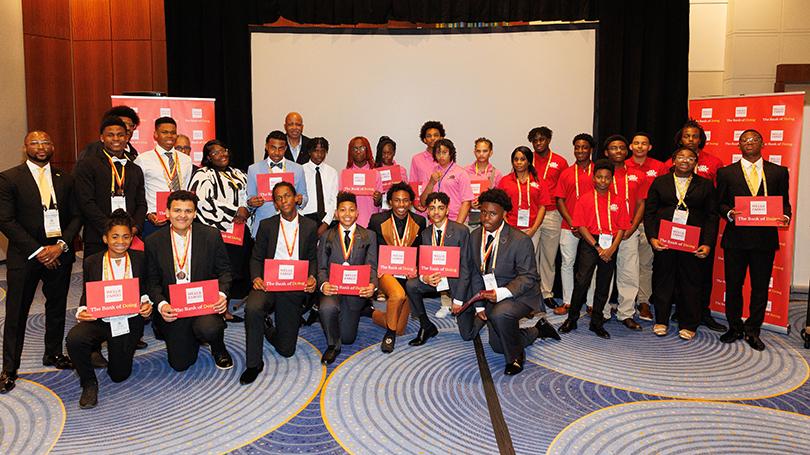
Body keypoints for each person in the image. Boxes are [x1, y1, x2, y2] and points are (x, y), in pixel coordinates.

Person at [0, 131, 82, 393]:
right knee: (16, 312)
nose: (41, 147)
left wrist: (60, 246)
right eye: (34, 143)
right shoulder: (9, 178)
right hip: (26, 256)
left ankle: (53, 354)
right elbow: (5, 220)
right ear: (25, 148)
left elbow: (77, 216)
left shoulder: (65, 179)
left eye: (46, 142)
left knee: (57, 307)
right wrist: (38, 250)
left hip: (60, 253)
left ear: (53, 146)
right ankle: (9, 369)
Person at [453, 188, 559, 376]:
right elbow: (476, 272)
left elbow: (529, 277)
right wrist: (478, 307)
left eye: (493, 214)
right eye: (484, 212)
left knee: (500, 316)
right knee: (496, 346)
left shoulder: (520, 240)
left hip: (519, 295)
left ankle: (516, 357)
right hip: (489, 295)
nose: (486, 218)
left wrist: (501, 293)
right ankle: (538, 330)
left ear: (504, 214)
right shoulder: (475, 235)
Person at [65, 210, 152, 408]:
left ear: (132, 237)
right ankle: (89, 383)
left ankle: (112, 353)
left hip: (128, 319)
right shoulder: (92, 262)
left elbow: (146, 289)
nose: (120, 241)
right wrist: (83, 309)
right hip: (101, 319)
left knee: (119, 375)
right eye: (115, 236)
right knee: (75, 338)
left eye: (126, 236)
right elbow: (88, 292)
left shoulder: (140, 259)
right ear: (105, 238)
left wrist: (147, 304)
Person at [716, 129, 791, 351]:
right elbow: (719, 204)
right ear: (739, 145)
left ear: (762, 143)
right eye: (744, 140)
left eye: (754, 139)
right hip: (735, 240)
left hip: (764, 240)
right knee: (733, 285)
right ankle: (734, 327)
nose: (749, 142)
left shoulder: (778, 172)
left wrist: (785, 216)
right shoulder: (726, 173)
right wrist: (729, 213)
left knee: (760, 288)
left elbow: (785, 202)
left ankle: (752, 330)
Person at [145, 191, 234, 371]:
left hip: (204, 304)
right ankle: (188, 336)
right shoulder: (153, 241)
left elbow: (225, 271)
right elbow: (151, 281)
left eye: (188, 211)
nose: (182, 215)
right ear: (167, 212)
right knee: (180, 364)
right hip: (174, 308)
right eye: (177, 210)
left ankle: (218, 347)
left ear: (195, 213)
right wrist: (162, 305)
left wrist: (222, 295)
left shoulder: (211, 235)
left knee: (208, 328)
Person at [240, 182, 318, 384]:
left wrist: (312, 277)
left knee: (286, 350)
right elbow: (256, 257)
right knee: (253, 308)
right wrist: (256, 277)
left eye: (287, 196)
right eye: (279, 198)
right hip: (269, 282)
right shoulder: (267, 226)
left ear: (296, 198)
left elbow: (313, 258)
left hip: (294, 285)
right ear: (275, 204)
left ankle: (268, 327)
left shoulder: (309, 226)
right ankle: (253, 364)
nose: (284, 201)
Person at [644, 147, 718, 340]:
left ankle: (689, 323)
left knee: (691, 283)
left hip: (693, 243)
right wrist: (652, 238)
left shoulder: (706, 185)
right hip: (664, 241)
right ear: (673, 160)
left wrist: (708, 243)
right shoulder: (660, 182)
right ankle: (661, 320)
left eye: (690, 158)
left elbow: (712, 217)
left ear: (696, 163)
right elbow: (649, 212)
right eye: (681, 157)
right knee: (663, 281)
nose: (685, 161)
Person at [666, 120, 728, 332]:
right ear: (680, 139)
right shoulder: (670, 162)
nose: (690, 140)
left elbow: (719, 197)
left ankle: (703, 312)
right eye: (686, 136)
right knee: (678, 270)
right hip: (677, 228)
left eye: (695, 136)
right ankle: (681, 309)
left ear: (701, 139)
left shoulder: (714, 162)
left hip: (702, 228)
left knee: (702, 272)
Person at [559, 160, 631, 339]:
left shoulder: (618, 200)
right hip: (591, 243)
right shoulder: (584, 199)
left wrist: (612, 248)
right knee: (582, 281)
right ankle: (572, 318)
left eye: (607, 178)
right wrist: (598, 247)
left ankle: (596, 322)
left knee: (603, 284)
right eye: (599, 177)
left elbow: (622, 227)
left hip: (611, 244)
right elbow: (581, 226)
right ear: (594, 178)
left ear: (612, 180)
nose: (603, 181)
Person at [188, 139, 252, 317]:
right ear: (208, 157)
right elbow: (202, 202)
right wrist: (234, 212)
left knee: (231, 269)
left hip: (238, 231)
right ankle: (214, 310)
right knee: (216, 269)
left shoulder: (239, 173)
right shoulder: (203, 174)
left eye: (224, 150)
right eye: (215, 152)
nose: (221, 154)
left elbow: (248, 196)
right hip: (214, 231)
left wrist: (247, 209)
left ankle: (224, 305)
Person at [317, 192, 378, 365]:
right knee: (327, 308)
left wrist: (372, 286)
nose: (347, 214)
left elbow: (372, 266)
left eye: (351, 210)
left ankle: (361, 310)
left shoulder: (369, 236)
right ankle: (332, 346)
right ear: (336, 213)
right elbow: (321, 267)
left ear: (357, 213)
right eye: (342, 210)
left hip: (355, 292)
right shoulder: (327, 236)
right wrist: (323, 284)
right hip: (333, 289)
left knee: (348, 338)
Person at [73, 116, 147, 258]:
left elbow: (141, 203)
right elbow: (86, 202)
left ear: (127, 138)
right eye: (110, 135)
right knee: (98, 277)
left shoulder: (135, 168)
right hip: (98, 235)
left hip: (129, 237)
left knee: (129, 277)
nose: (116, 139)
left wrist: (134, 228)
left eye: (120, 135)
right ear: (102, 138)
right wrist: (110, 229)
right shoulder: (87, 165)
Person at [367, 182, 426, 352]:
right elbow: (371, 247)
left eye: (405, 201)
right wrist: (375, 268)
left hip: (407, 273)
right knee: (398, 295)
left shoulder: (419, 221)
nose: (401, 205)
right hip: (385, 271)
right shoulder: (377, 220)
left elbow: (420, 250)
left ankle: (369, 313)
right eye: (397, 200)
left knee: (401, 329)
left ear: (410, 202)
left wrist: (415, 268)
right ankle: (389, 335)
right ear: (390, 202)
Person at [405, 192, 469, 346]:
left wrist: (459, 300)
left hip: (457, 282)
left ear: (447, 210)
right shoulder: (426, 233)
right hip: (436, 280)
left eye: (440, 208)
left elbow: (467, 266)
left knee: (468, 334)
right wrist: (424, 277)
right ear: (427, 211)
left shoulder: (461, 231)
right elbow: (423, 263)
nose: (436, 212)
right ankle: (426, 326)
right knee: (411, 285)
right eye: (432, 208)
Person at [602, 134, 647, 331]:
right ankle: (601, 311)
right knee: (602, 273)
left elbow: (641, 203)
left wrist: (633, 226)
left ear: (626, 150)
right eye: (613, 148)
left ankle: (626, 313)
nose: (618, 151)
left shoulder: (638, 174)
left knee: (629, 272)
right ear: (606, 152)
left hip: (628, 231)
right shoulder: (600, 174)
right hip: (604, 232)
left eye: (621, 147)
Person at [625, 132, 669, 321]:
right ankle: (623, 302)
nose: (640, 146)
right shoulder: (622, 166)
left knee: (645, 265)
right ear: (631, 146)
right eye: (636, 143)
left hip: (649, 224)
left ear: (649, 147)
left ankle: (643, 302)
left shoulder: (659, 167)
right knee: (625, 265)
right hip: (626, 224)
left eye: (644, 143)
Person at [554, 133, 597, 315]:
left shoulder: (599, 172)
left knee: (592, 265)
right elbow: (560, 200)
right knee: (567, 263)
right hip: (569, 225)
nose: (580, 151)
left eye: (584, 147)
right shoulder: (566, 173)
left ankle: (591, 302)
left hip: (593, 226)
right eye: (577, 147)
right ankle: (568, 301)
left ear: (591, 149)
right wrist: (573, 223)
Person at [528, 126, 568, 309]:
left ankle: (546, 293)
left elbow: (564, 190)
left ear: (548, 140)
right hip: (532, 214)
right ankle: (531, 293)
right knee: (530, 255)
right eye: (535, 140)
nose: (538, 143)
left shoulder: (560, 162)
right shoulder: (527, 160)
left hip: (552, 213)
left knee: (548, 257)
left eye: (541, 139)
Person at [497, 146, 550, 284]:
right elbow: (499, 205)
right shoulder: (505, 181)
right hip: (510, 229)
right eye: (516, 159)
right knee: (510, 261)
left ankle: (531, 292)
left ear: (529, 161)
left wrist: (533, 229)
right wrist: (507, 224)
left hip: (532, 229)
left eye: (522, 159)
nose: (519, 162)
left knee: (530, 262)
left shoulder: (539, 181)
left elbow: (542, 207)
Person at [134, 117, 193, 238]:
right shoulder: (143, 159)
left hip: (181, 218)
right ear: (155, 135)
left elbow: (186, 188)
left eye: (173, 132)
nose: (170, 136)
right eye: (164, 132)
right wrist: (147, 213)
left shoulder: (186, 160)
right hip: (155, 219)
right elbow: (137, 191)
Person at [247, 130, 308, 238]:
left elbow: (304, 195)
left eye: (280, 148)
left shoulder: (298, 169)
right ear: (266, 147)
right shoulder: (253, 169)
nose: (276, 152)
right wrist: (252, 202)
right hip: (263, 224)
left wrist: (300, 200)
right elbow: (250, 198)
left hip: (291, 224)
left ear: (285, 148)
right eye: (273, 147)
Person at [418, 139, 473, 224]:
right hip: (434, 221)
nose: (441, 156)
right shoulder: (431, 172)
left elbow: (466, 202)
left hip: (455, 220)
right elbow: (423, 202)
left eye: (444, 152)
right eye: (438, 153)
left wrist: (458, 226)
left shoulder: (461, 173)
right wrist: (431, 183)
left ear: (451, 153)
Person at [301, 137, 338, 237]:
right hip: (306, 218)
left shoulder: (332, 172)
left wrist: (326, 223)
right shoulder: (300, 171)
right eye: (316, 151)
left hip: (327, 219)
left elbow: (334, 200)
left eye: (323, 151)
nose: (319, 155)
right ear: (309, 152)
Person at [465, 137, 503, 229]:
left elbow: (499, 200)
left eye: (485, 151)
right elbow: (460, 195)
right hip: (467, 217)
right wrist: (469, 203)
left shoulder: (496, 174)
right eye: (478, 151)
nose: (481, 154)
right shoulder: (465, 171)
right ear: (474, 152)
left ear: (491, 153)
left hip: (488, 219)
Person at [409, 121, 445, 211]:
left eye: (436, 135)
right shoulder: (417, 159)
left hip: (442, 207)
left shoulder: (446, 158)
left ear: (441, 137)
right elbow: (413, 183)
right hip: (423, 208)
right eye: (429, 136)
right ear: (424, 140)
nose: (432, 138)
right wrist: (415, 203)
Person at [345, 136, 380, 228]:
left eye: (362, 148)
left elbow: (379, 204)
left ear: (367, 150)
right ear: (350, 152)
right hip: (350, 222)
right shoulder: (345, 174)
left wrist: (378, 199)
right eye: (355, 148)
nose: (358, 151)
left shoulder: (375, 173)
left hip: (371, 222)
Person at [373, 136, 408, 211]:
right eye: (383, 153)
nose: (386, 156)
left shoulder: (401, 170)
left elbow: (406, 192)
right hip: (380, 211)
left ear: (394, 152)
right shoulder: (374, 171)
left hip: (399, 209)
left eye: (389, 153)